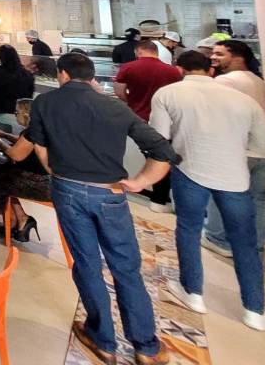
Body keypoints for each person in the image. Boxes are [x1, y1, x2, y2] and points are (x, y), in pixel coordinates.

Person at [26, 52, 178, 365]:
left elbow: (39, 144)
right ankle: (145, 346)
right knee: (126, 268)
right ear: (91, 77)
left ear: (63, 74)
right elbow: (162, 150)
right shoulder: (115, 107)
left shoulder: (44, 103)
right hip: (110, 194)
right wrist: (140, 182)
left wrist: (52, 168)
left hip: (67, 189)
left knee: (86, 263)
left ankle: (102, 338)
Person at [149, 50, 265, 331]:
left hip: (187, 170)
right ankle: (255, 310)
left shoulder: (168, 94)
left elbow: (158, 138)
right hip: (235, 175)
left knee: (187, 230)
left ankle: (192, 292)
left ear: (179, 68)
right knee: (244, 242)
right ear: (209, 70)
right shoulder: (244, 100)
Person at [204, 40, 265, 260]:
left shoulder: (224, 81)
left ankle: (219, 239)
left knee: (220, 194)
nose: (213, 58)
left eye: (219, 54)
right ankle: (255, 249)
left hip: (237, 150)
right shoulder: (257, 80)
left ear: (238, 56)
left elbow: (211, 115)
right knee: (258, 199)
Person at [113, 39, 183, 211]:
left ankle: (159, 199)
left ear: (138, 52)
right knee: (168, 157)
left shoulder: (128, 68)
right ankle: (172, 199)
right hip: (169, 121)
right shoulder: (173, 71)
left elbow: (119, 90)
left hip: (139, 118)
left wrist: (131, 101)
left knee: (153, 158)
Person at [0, 100, 50, 242]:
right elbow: (24, 144)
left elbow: (15, 154)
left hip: (40, 184)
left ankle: (13, 220)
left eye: (16, 112)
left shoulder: (33, 131)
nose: (15, 115)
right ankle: (21, 219)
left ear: (26, 114)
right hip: (48, 179)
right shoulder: (43, 127)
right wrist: (5, 135)